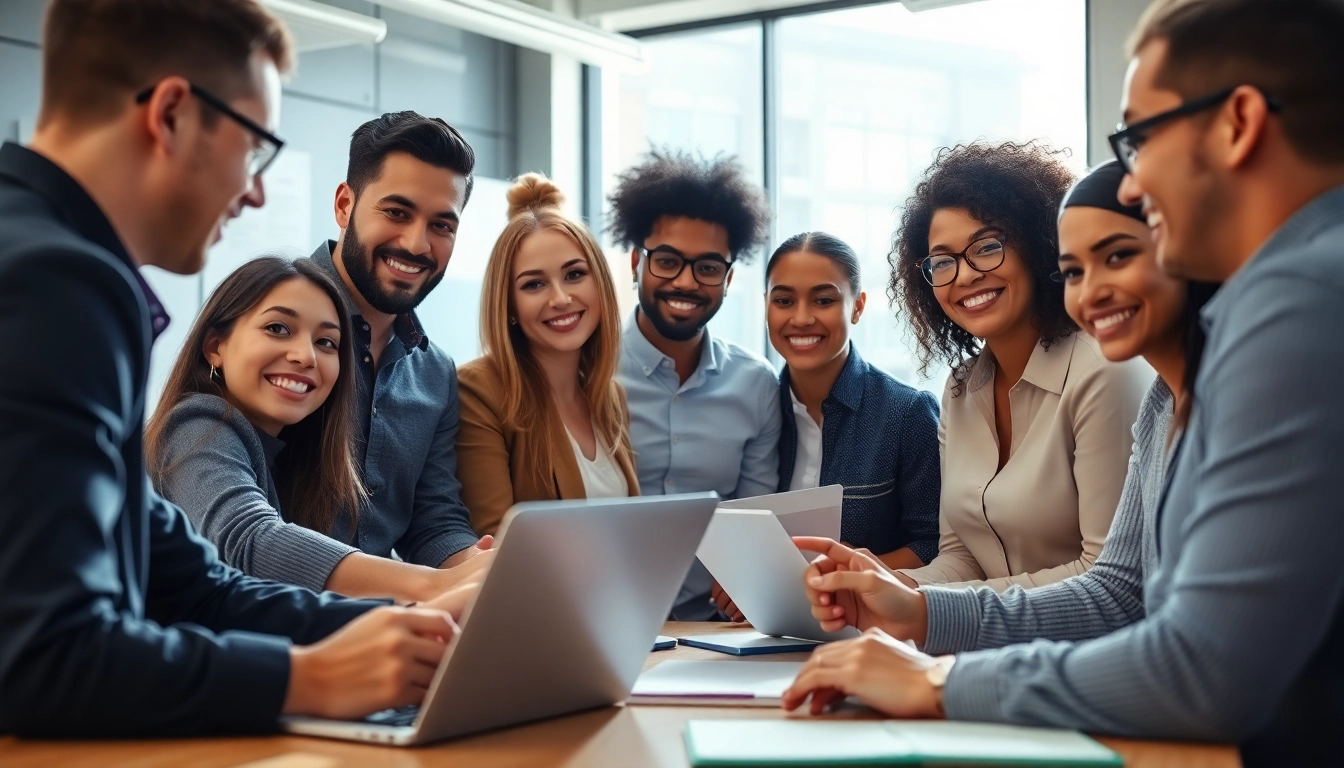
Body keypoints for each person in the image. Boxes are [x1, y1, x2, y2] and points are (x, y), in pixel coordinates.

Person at [782, 1, 1344, 764]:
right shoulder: (1188, 374)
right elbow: (1122, 591)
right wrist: (917, 609)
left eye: (1141, 140)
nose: (1134, 187)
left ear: (1239, 122)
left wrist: (942, 683)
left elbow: (1204, 666)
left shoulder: (1297, 302)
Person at [0, 0, 474, 737]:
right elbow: (46, 659)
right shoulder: (57, 283)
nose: (254, 191)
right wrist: (311, 677)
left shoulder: (39, 257)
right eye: (254, 150)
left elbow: (193, 586)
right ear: (171, 114)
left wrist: (398, 626)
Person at [887, 141, 1151, 591]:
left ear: (1038, 245)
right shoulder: (960, 389)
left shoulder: (1103, 371)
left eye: (987, 247)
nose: (965, 275)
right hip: (987, 646)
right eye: (943, 261)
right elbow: (963, 558)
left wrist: (925, 607)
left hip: (1077, 652)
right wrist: (886, 586)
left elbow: (1108, 578)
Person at [147, 256, 488, 601]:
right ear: (214, 346)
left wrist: (480, 567)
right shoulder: (193, 424)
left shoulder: (297, 448)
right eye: (277, 328)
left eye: (326, 342)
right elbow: (251, 540)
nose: (306, 356)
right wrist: (438, 585)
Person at [306, 111, 494, 592]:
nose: (416, 243)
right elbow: (245, 531)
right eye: (396, 212)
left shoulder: (434, 373)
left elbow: (431, 524)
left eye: (442, 225)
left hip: (380, 634)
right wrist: (429, 588)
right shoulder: (267, 327)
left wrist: (486, 567)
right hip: (264, 635)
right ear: (345, 205)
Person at [609, 149, 780, 620]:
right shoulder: (585, 374)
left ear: (727, 278)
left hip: (718, 629)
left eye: (707, 267)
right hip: (597, 616)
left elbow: (753, 521)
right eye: (666, 260)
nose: (686, 282)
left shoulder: (756, 384)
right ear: (634, 263)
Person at [457, 174, 638, 535]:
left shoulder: (609, 396)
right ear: (508, 303)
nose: (560, 298)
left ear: (599, 283)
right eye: (534, 284)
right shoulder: (479, 390)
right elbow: (494, 542)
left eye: (574, 275)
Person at [767, 231, 940, 570]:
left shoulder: (907, 413)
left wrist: (850, 571)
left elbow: (936, 544)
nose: (801, 318)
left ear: (857, 307)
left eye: (823, 300)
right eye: (784, 301)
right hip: (763, 622)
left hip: (870, 619)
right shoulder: (757, 408)